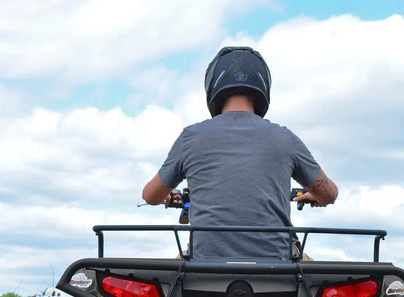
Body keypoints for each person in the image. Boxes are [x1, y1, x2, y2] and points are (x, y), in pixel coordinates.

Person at [142, 46, 338, 260]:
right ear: (263, 86)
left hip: (205, 267)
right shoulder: (285, 138)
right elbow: (330, 194)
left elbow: (150, 196)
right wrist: (316, 194)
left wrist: (167, 195)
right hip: (277, 267)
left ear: (212, 85)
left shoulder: (191, 137)